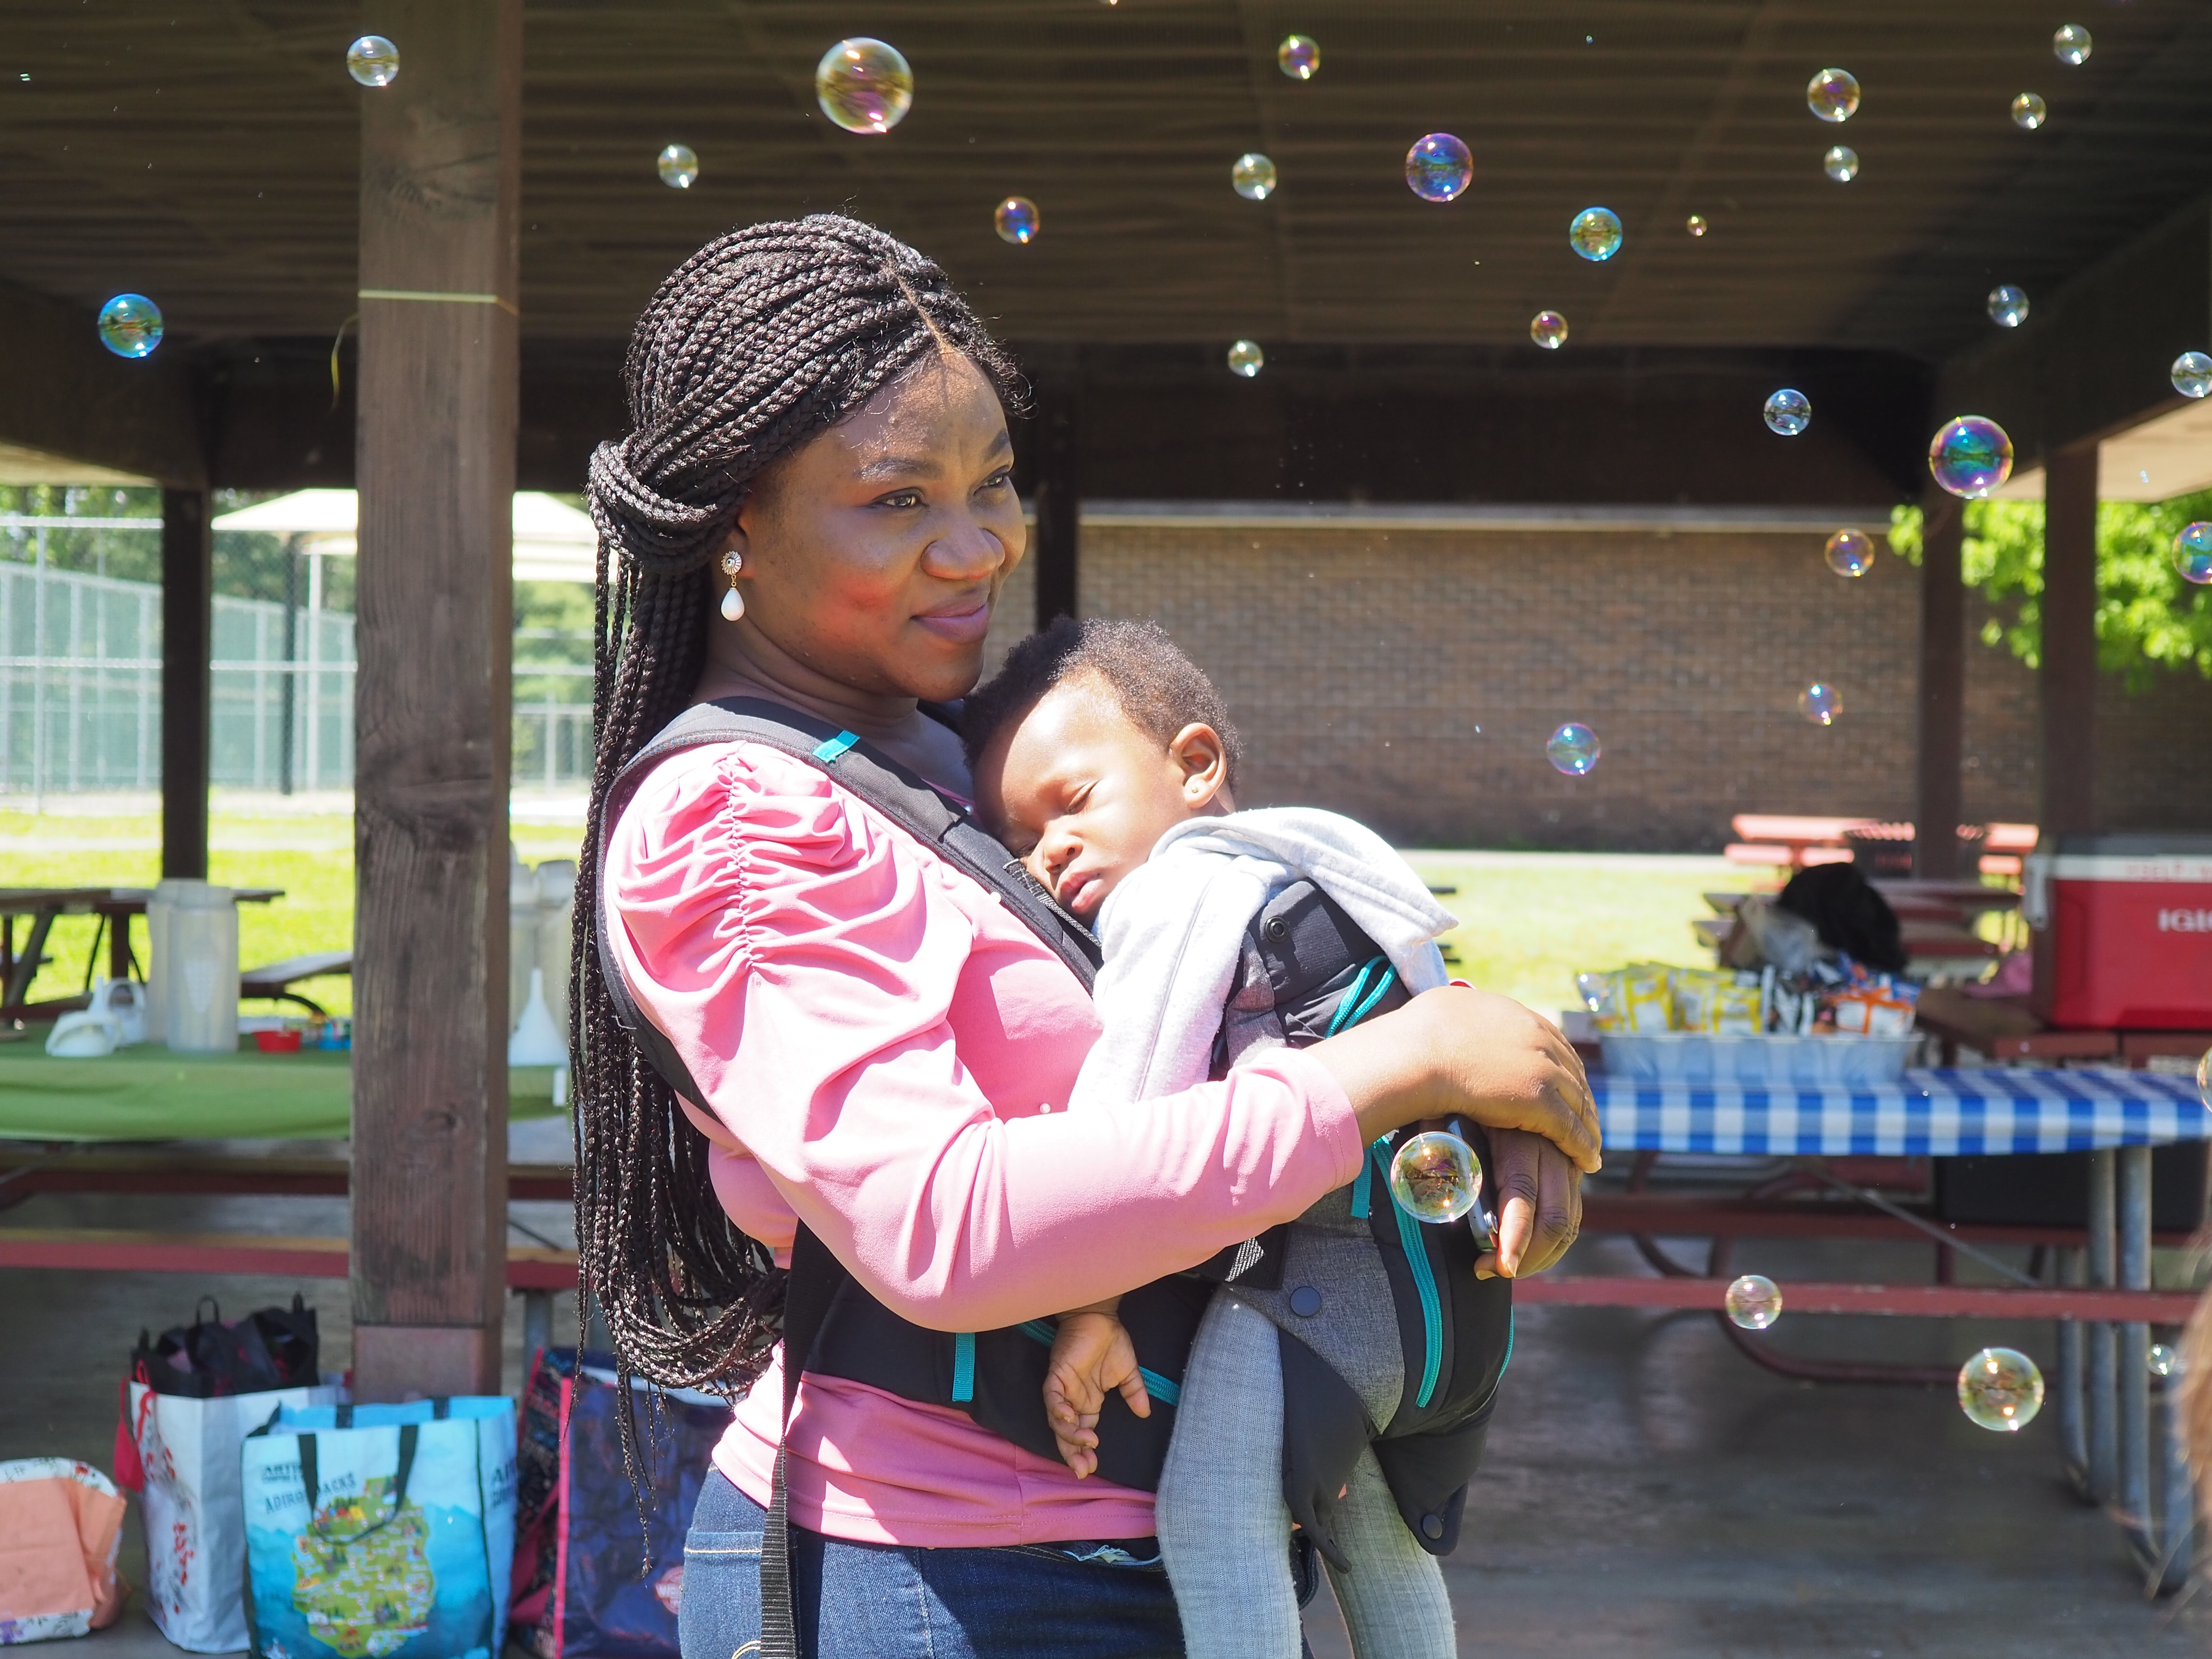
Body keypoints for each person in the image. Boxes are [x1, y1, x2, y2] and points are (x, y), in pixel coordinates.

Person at [577, 212, 1599, 1659]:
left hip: (1115, 1538)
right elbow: (944, 1226)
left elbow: (1192, 1009)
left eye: (991, 482)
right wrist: (1392, 1072)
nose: (978, 543)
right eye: (896, 500)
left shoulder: (936, 759)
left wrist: (1453, 1112)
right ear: (735, 518)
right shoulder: (736, 818)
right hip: (950, 1577)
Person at [963, 615, 1496, 1659]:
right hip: (1425, 1289)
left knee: (1212, 1527)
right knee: (1373, 1540)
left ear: (1196, 764)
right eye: (1021, 841)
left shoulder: (1183, 884)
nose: (1048, 854)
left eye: (1071, 806)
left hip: (1306, 1288)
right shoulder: (1318, 872)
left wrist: (1092, 1306)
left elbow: (1138, 1077)